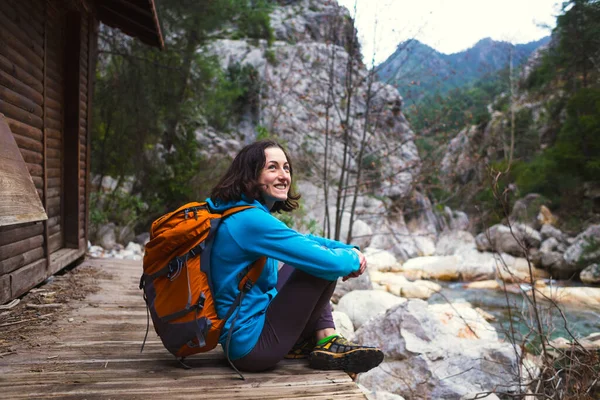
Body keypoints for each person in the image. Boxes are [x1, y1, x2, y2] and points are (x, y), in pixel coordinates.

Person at [206, 139, 384, 375]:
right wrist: (351, 259)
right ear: (250, 174)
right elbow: (328, 262)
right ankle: (324, 340)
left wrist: (350, 250)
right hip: (251, 349)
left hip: (244, 335)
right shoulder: (250, 221)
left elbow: (307, 241)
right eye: (272, 167)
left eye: (286, 168)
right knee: (320, 264)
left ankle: (324, 339)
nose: (283, 176)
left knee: (311, 258)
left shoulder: (241, 212)